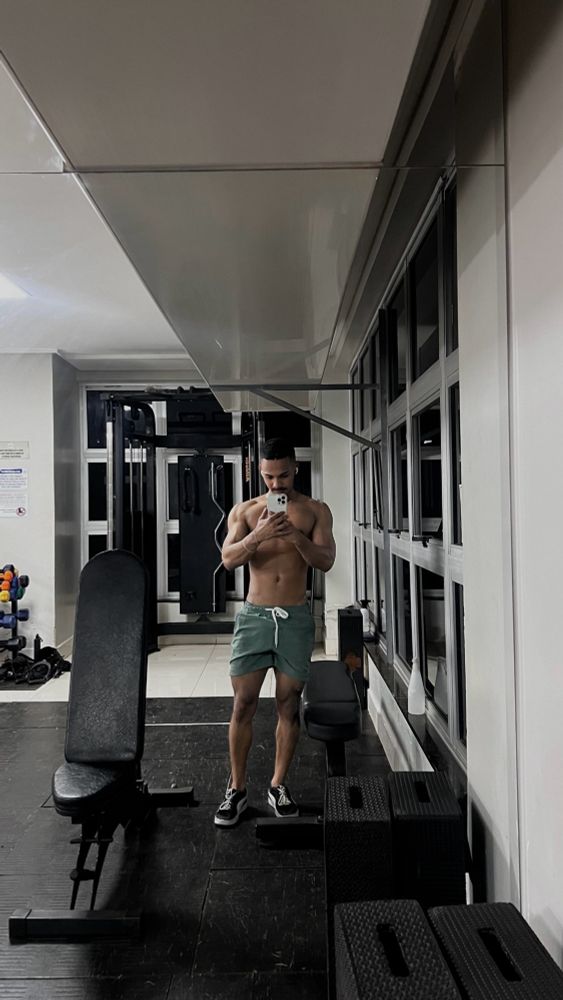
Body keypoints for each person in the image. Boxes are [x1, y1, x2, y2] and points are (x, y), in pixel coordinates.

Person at [214, 437, 336, 827]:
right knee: (243, 704)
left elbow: (326, 560)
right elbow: (228, 559)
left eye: (283, 475)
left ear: (295, 468)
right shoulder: (246, 511)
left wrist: (294, 537)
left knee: (288, 703)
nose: (276, 484)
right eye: (268, 477)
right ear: (259, 472)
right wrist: (259, 536)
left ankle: (278, 785)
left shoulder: (315, 511)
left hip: (294, 618)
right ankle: (236, 789)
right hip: (255, 618)